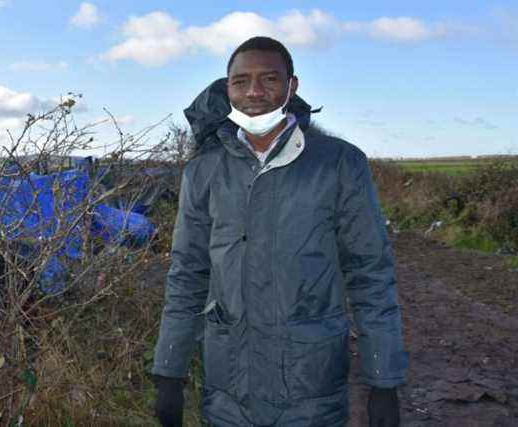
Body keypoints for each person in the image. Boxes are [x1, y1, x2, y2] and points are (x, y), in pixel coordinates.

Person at [151, 36, 409, 427]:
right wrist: (169, 370)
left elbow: (370, 274)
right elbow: (188, 272)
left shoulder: (339, 163)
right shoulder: (204, 170)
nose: (254, 91)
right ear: (228, 88)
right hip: (227, 391)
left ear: (293, 86)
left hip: (311, 391)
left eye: (269, 78)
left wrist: (383, 381)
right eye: (241, 81)